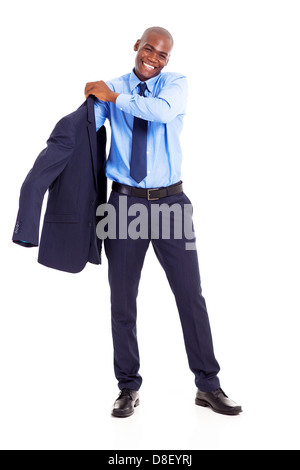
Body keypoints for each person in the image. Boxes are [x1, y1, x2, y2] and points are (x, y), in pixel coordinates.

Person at [85, 26, 242, 418]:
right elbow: (88, 124)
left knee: (191, 296)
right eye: (149, 49)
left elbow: (161, 113)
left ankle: (208, 385)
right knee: (122, 300)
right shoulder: (111, 86)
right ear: (136, 46)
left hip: (172, 202)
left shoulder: (175, 84)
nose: (154, 58)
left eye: (162, 55)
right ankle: (127, 387)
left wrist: (114, 97)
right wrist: (93, 102)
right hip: (122, 206)